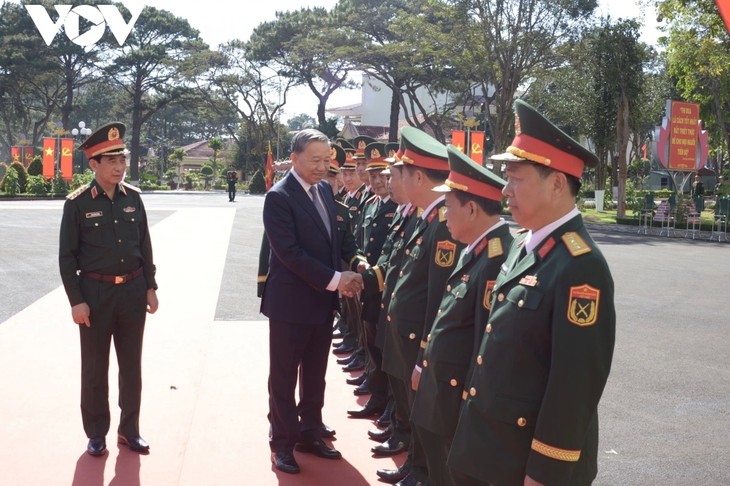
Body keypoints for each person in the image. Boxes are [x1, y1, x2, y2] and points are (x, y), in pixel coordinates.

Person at [448, 99, 616, 486]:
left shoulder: (580, 266)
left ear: (557, 183)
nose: (505, 190)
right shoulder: (525, 246)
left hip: (527, 462)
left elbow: (574, 383)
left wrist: (546, 471)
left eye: (516, 178)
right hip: (490, 446)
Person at [260, 128, 366, 475]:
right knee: (284, 376)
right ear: (294, 159)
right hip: (291, 304)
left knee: (316, 374)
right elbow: (290, 253)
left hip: (322, 302)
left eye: (327, 160)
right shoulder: (279, 197)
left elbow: (334, 242)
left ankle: (309, 431)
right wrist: (337, 280)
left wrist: (353, 266)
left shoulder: (323, 189)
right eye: (315, 160)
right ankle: (282, 443)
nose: (323, 167)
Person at [410, 145, 512, 486]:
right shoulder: (477, 250)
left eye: (449, 207)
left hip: (459, 400)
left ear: (471, 209)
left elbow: (484, 342)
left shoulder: (495, 259)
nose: (444, 215)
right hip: (445, 391)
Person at [58, 122, 159, 457]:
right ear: (94, 165)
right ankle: (97, 432)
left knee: (132, 366)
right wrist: (77, 301)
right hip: (95, 296)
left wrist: (150, 287)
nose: (119, 167)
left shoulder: (134, 199)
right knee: (95, 368)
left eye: (122, 160)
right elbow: (66, 257)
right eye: (111, 161)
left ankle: (129, 430)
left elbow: (144, 245)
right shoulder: (77, 204)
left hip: (132, 291)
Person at [382, 127, 465, 486]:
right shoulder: (425, 219)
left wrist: (423, 353)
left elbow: (436, 297)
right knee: (415, 414)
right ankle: (415, 467)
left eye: (398, 173)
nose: (391, 181)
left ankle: (423, 472)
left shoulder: (442, 226)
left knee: (426, 418)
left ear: (417, 175)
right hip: (405, 333)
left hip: (420, 339)